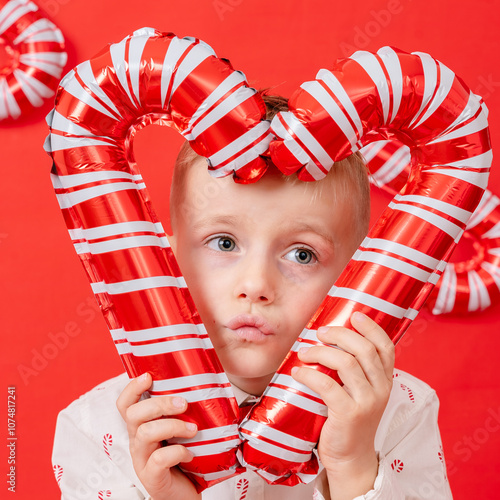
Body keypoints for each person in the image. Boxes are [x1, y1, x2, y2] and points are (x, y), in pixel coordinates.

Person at [52, 93, 452, 500]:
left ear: (354, 279)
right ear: (167, 262)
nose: (256, 284)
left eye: (302, 254)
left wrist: (353, 469)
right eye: (224, 243)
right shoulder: (96, 430)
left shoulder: (401, 413)